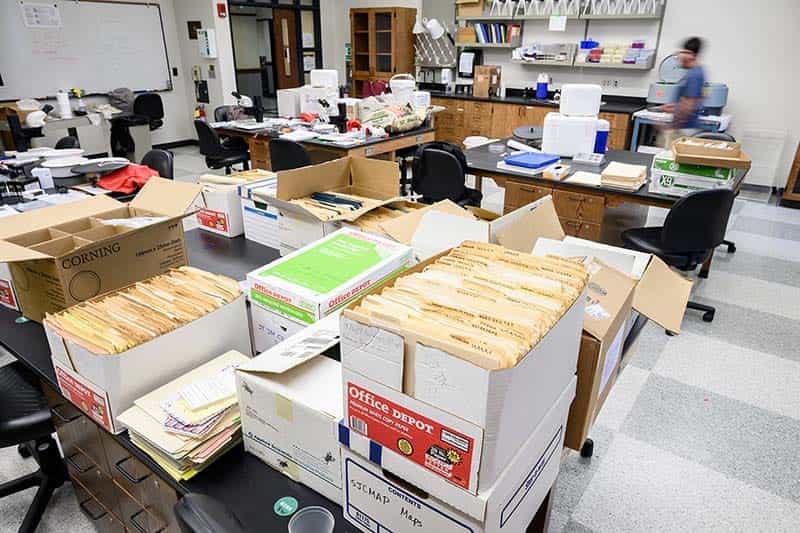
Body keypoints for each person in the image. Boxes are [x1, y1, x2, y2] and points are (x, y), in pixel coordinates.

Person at [660, 37, 706, 146]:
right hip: (685, 127)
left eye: (682, 53)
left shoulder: (694, 75)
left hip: (683, 129)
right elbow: (689, 100)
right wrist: (674, 107)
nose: (679, 57)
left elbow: (688, 106)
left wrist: (671, 126)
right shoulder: (696, 72)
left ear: (691, 55)